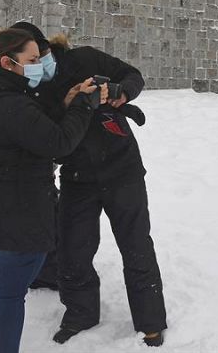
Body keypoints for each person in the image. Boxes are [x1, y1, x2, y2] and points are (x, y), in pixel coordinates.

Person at [0, 28, 99, 353]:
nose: (40, 64)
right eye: (33, 59)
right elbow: (58, 143)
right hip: (18, 215)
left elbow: (30, 136)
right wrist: (83, 106)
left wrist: (66, 104)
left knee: (7, 275)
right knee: (11, 292)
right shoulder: (11, 103)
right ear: (8, 63)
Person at [9, 23, 167, 347]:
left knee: (136, 244)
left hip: (123, 169)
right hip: (77, 178)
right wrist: (68, 104)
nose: (37, 65)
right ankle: (81, 313)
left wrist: (120, 91)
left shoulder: (84, 58)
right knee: (72, 250)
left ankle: (150, 321)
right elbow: (47, 136)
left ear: (46, 48)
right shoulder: (31, 89)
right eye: (29, 62)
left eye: (40, 56)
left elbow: (133, 75)